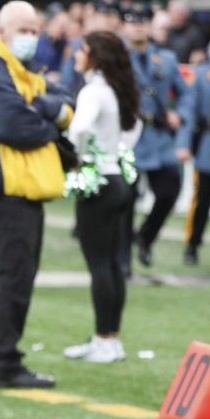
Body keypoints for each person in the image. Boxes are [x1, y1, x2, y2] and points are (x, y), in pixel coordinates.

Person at [0, 0, 74, 390]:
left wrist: (44, 109)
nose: (31, 36)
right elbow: (13, 124)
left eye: (35, 29)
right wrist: (53, 127)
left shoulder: (20, 70)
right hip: (7, 195)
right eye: (24, 29)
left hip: (23, 195)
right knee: (14, 280)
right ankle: (2, 363)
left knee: (16, 279)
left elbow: (65, 99)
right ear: (2, 28)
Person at [62, 31, 142, 364]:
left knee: (99, 265)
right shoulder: (118, 89)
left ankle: (103, 340)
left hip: (98, 183)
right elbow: (133, 130)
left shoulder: (94, 91)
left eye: (82, 50)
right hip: (118, 179)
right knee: (111, 263)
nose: (77, 55)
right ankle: (111, 339)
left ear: (96, 56)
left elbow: (78, 129)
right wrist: (114, 153)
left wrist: (77, 159)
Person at [121, 1, 194, 271]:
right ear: (125, 26)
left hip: (160, 137)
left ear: (150, 26)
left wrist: (181, 115)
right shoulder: (117, 57)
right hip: (129, 137)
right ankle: (123, 259)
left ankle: (146, 237)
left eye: (142, 21)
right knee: (125, 201)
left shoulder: (166, 58)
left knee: (169, 191)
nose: (138, 26)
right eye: (132, 21)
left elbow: (186, 92)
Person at [184, 36, 210, 266]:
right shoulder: (205, 74)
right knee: (202, 200)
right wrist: (186, 144)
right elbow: (190, 111)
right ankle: (192, 244)